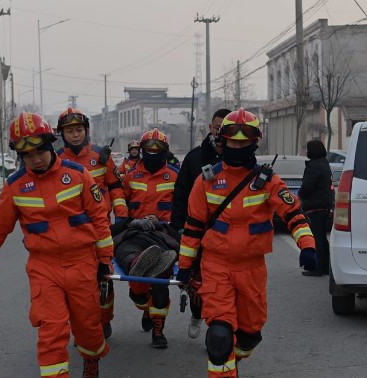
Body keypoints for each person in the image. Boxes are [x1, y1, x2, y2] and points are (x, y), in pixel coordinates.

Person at [176, 108, 316, 377]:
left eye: (244, 142)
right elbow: (193, 228)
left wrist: (307, 245)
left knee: (250, 335)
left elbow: (294, 214)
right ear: (224, 140)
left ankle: (233, 358)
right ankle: (225, 361)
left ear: (254, 142)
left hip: (251, 269)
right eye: (233, 141)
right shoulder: (206, 180)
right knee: (219, 337)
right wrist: (185, 266)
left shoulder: (267, 181)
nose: (237, 146)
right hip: (216, 266)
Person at [0, 112, 113, 378]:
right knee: (51, 329)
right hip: (43, 267)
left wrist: (105, 259)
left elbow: (100, 220)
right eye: (28, 155)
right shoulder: (14, 187)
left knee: (88, 328)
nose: (35, 159)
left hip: (82, 262)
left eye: (39, 152)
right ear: (20, 156)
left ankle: (91, 358)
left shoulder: (79, 175)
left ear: (50, 145)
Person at [56, 106, 127, 339]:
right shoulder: (55, 161)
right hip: (70, 235)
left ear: (86, 130)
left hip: (101, 230)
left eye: (78, 129)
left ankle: (104, 321)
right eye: (69, 131)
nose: (75, 134)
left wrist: (122, 214)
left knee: (104, 278)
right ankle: (84, 329)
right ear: (62, 134)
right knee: (76, 286)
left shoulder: (101, 157)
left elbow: (116, 187)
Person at [170, 108, 231, 339]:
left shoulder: (237, 159)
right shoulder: (194, 158)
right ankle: (197, 313)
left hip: (226, 237)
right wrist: (177, 227)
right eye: (218, 127)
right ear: (210, 128)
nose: (220, 132)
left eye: (226, 129)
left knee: (221, 286)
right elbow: (180, 194)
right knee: (197, 282)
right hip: (196, 232)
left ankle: (218, 332)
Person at [122, 128, 179, 349]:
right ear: (142, 151)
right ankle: (143, 302)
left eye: (158, 149)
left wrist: (163, 221)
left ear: (165, 151)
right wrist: (131, 222)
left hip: (163, 233)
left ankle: (158, 328)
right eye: (148, 149)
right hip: (135, 230)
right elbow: (120, 207)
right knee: (129, 259)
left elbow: (183, 209)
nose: (153, 153)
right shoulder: (130, 177)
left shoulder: (175, 176)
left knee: (160, 278)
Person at [298, 139, 335, 277]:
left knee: (316, 238)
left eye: (308, 149)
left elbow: (308, 186)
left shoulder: (314, 165)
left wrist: (300, 195)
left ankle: (317, 267)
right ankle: (325, 267)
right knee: (322, 238)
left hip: (315, 205)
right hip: (324, 204)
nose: (307, 152)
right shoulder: (324, 163)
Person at [112, 215, 179, 278]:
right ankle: (135, 263)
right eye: (147, 217)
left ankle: (160, 266)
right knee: (127, 250)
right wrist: (132, 223)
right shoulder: (130, 225)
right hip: (132, 239)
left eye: (153, 218)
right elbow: (111, 231)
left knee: (163, 253)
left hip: (157, 242)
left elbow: (181, 241)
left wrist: (161, 227)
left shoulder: (165, 228)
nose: (150, 219)